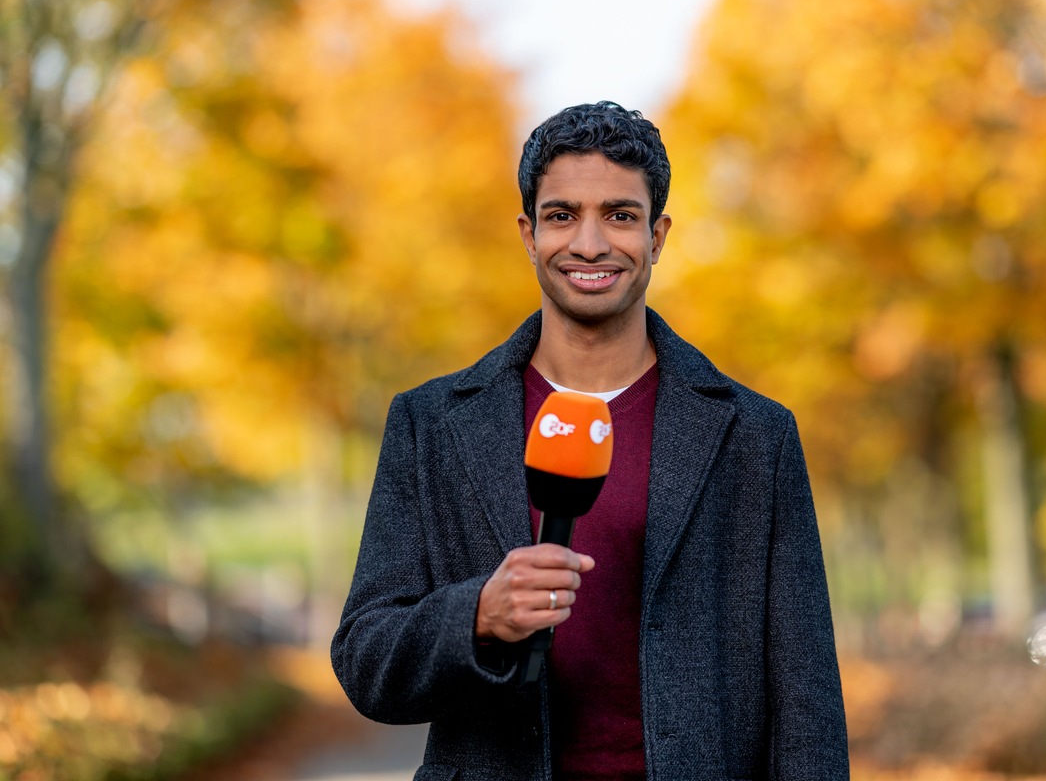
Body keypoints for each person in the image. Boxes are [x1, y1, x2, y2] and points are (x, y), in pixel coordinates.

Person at [332, 101, 849, 780]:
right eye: (562, 215)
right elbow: (368, 662)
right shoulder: (429, 425)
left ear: (658, 236)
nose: (590, 243)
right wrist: (477, 614)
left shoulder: (756, 435)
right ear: (528, 233)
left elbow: (806, 698)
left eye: (621, 215)